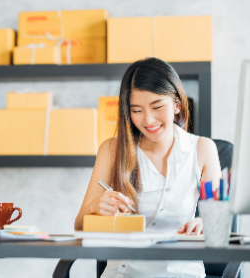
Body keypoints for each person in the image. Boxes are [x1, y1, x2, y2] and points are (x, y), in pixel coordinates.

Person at [75, 58, 221, 278]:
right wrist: (96, 206)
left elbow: (220, 221)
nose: (148, 119)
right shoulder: (112, 150)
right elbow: (79, 225)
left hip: (182, 273)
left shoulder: (201, 149)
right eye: (137, 110)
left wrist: (205, 222)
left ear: (177, 105)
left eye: (157, 107)